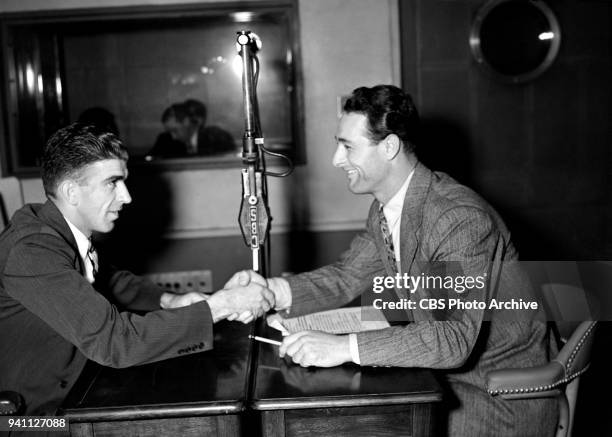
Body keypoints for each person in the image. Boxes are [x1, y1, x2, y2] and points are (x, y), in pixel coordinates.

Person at [222, 85, 558, 435]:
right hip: (442, 380)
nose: (337, 159)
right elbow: (346, 277)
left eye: (348, 146)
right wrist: (270, 291)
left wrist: (342, 347)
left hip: (493, 395)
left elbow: (453, 337)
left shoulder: (459, 218)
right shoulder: (386, 208)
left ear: (390, 147)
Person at [0, 123, 274, 416]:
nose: (127, 196)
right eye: (112, 183)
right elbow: (115, 342)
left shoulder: (58, 229)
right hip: (31, 419)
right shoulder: (32, 252)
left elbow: (107, 278)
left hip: (78, 386)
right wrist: (219, 307)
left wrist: (169, 300)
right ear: (71, 191)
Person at [148, 99, 236, 158]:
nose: (173, 137)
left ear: (186, 122)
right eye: (170, 131)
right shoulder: (165, 142)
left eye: (175, 130)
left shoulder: (217, 138)